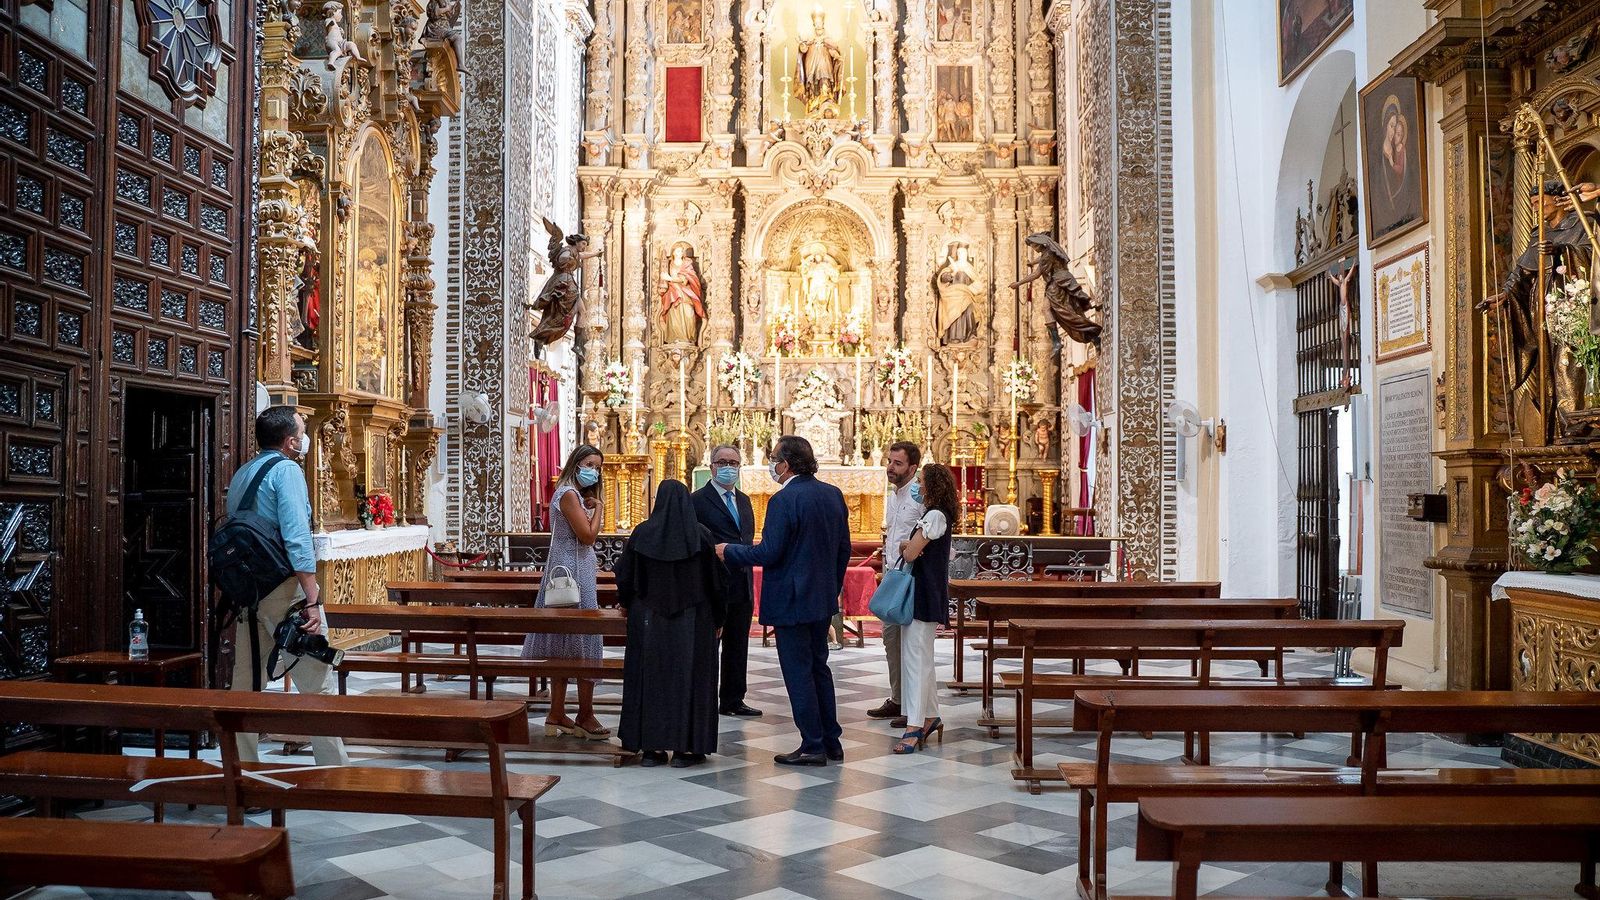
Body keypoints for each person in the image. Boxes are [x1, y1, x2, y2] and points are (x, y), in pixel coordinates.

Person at [717, 436, 851, 766]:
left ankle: (812, 745)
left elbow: (769, 552)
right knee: (819, 667)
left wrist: (729, 551)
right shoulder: (832, 494)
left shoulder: (783, 500)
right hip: (821, 600)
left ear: (786, 464)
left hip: (792, 601)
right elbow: (844, 549)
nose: (771, 464)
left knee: (798, 672)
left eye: (773, 458)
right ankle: (831, 741)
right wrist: (831, 587)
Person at [228, 406, 349, 767]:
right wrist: (312, 598)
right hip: (285, 590)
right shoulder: (288, 471)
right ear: (291, 441)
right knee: (317, 681)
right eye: (301, 432)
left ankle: (242, 770)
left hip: (249, 592)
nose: (304, 438)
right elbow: (297, 536)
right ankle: (335, 771)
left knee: (246, 686)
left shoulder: (243, 473)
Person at [615, 481, 728, 768]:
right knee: (691, 680)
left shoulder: (642, 534)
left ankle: (650, 749)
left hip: (648, 620)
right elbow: (717, 583)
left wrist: (626, 603)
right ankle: (686, 749)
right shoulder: (701, 536)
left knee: (649, 679)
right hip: (694, 620)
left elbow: (625, 576)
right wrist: (719, 617)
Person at [523, 444, 608, 739]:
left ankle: (557, 712)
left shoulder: (568, 493)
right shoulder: (569, 494)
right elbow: (587, 536)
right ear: (575, 464)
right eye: (588, 464)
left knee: (565, 642)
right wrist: (599, 509)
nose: (593, 471)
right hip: (573, 575)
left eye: (598, 466)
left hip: (571, 569)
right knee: (583, 640)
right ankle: (584, 714)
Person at [692, 445, 762, 717]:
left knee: (737, 645)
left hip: (741, 582)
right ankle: (704, 698)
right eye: (722, 462)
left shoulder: (743, 500)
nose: (728, 467)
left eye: (733, 462)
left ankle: (733, 699)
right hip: (713, 584)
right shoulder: (698, 499)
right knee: (709, 645)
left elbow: (746, 536)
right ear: (712, 467)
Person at [892, 463, 956, 754]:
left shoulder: (934, 515)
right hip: (925, 593)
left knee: (915, 662)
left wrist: (906, 545)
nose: (917, 487)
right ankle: (931, 715)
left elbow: (911, 552)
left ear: (932, 486)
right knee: (922, 659)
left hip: (922, 595)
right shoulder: (938, 515)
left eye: (921, 482)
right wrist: (911, 543)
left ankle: (914, 725)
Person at [868, 441, 923, 730]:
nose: (890, 467)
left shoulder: (919, 496)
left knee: (910, 644)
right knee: (891, 639)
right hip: (893, 574)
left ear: (912, 468)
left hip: (911, 576)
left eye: (898, 463)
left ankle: (914, 706)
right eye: (890, 461)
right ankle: (898, 698)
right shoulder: (893, 495)